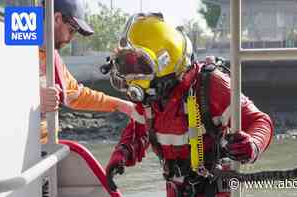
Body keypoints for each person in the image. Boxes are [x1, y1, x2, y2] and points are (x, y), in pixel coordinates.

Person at [105, 13, 274, 197]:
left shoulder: (212, 85)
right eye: (126, 65)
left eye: (138, 65)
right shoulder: (148, 98)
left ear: (165, 62)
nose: (131, 76)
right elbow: (138, 131)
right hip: (176, 189)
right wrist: (121, 154)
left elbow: (260, 121)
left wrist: (252, 145)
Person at [39, 0, 136, 144]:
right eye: (71, 31)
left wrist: (122, 105)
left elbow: (75, 94)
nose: (71, 39)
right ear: (57, 18)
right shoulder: (10, 40)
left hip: (43, 153)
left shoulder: (50, 54)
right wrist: (33, 98)